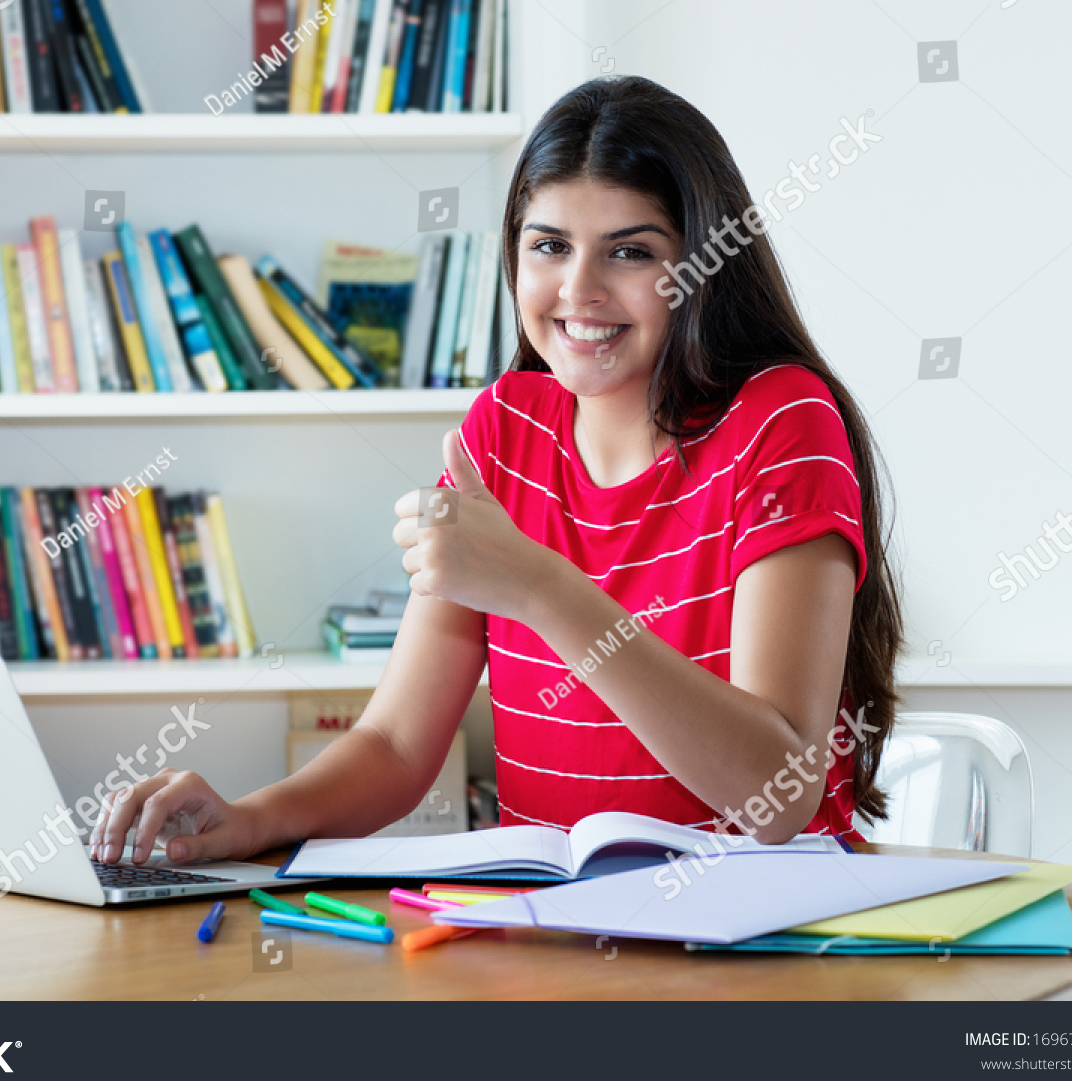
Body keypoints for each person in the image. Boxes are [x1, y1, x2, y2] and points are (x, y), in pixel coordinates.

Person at [90, 75, 903, 866]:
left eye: (630, 251)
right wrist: (250, 817)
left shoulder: (781, 421)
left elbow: (780, 788)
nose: (578, 290)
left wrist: (538, 586)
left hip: (766, 941)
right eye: (549, 246)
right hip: (556, 934)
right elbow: (397, 742)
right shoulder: (503, 432)